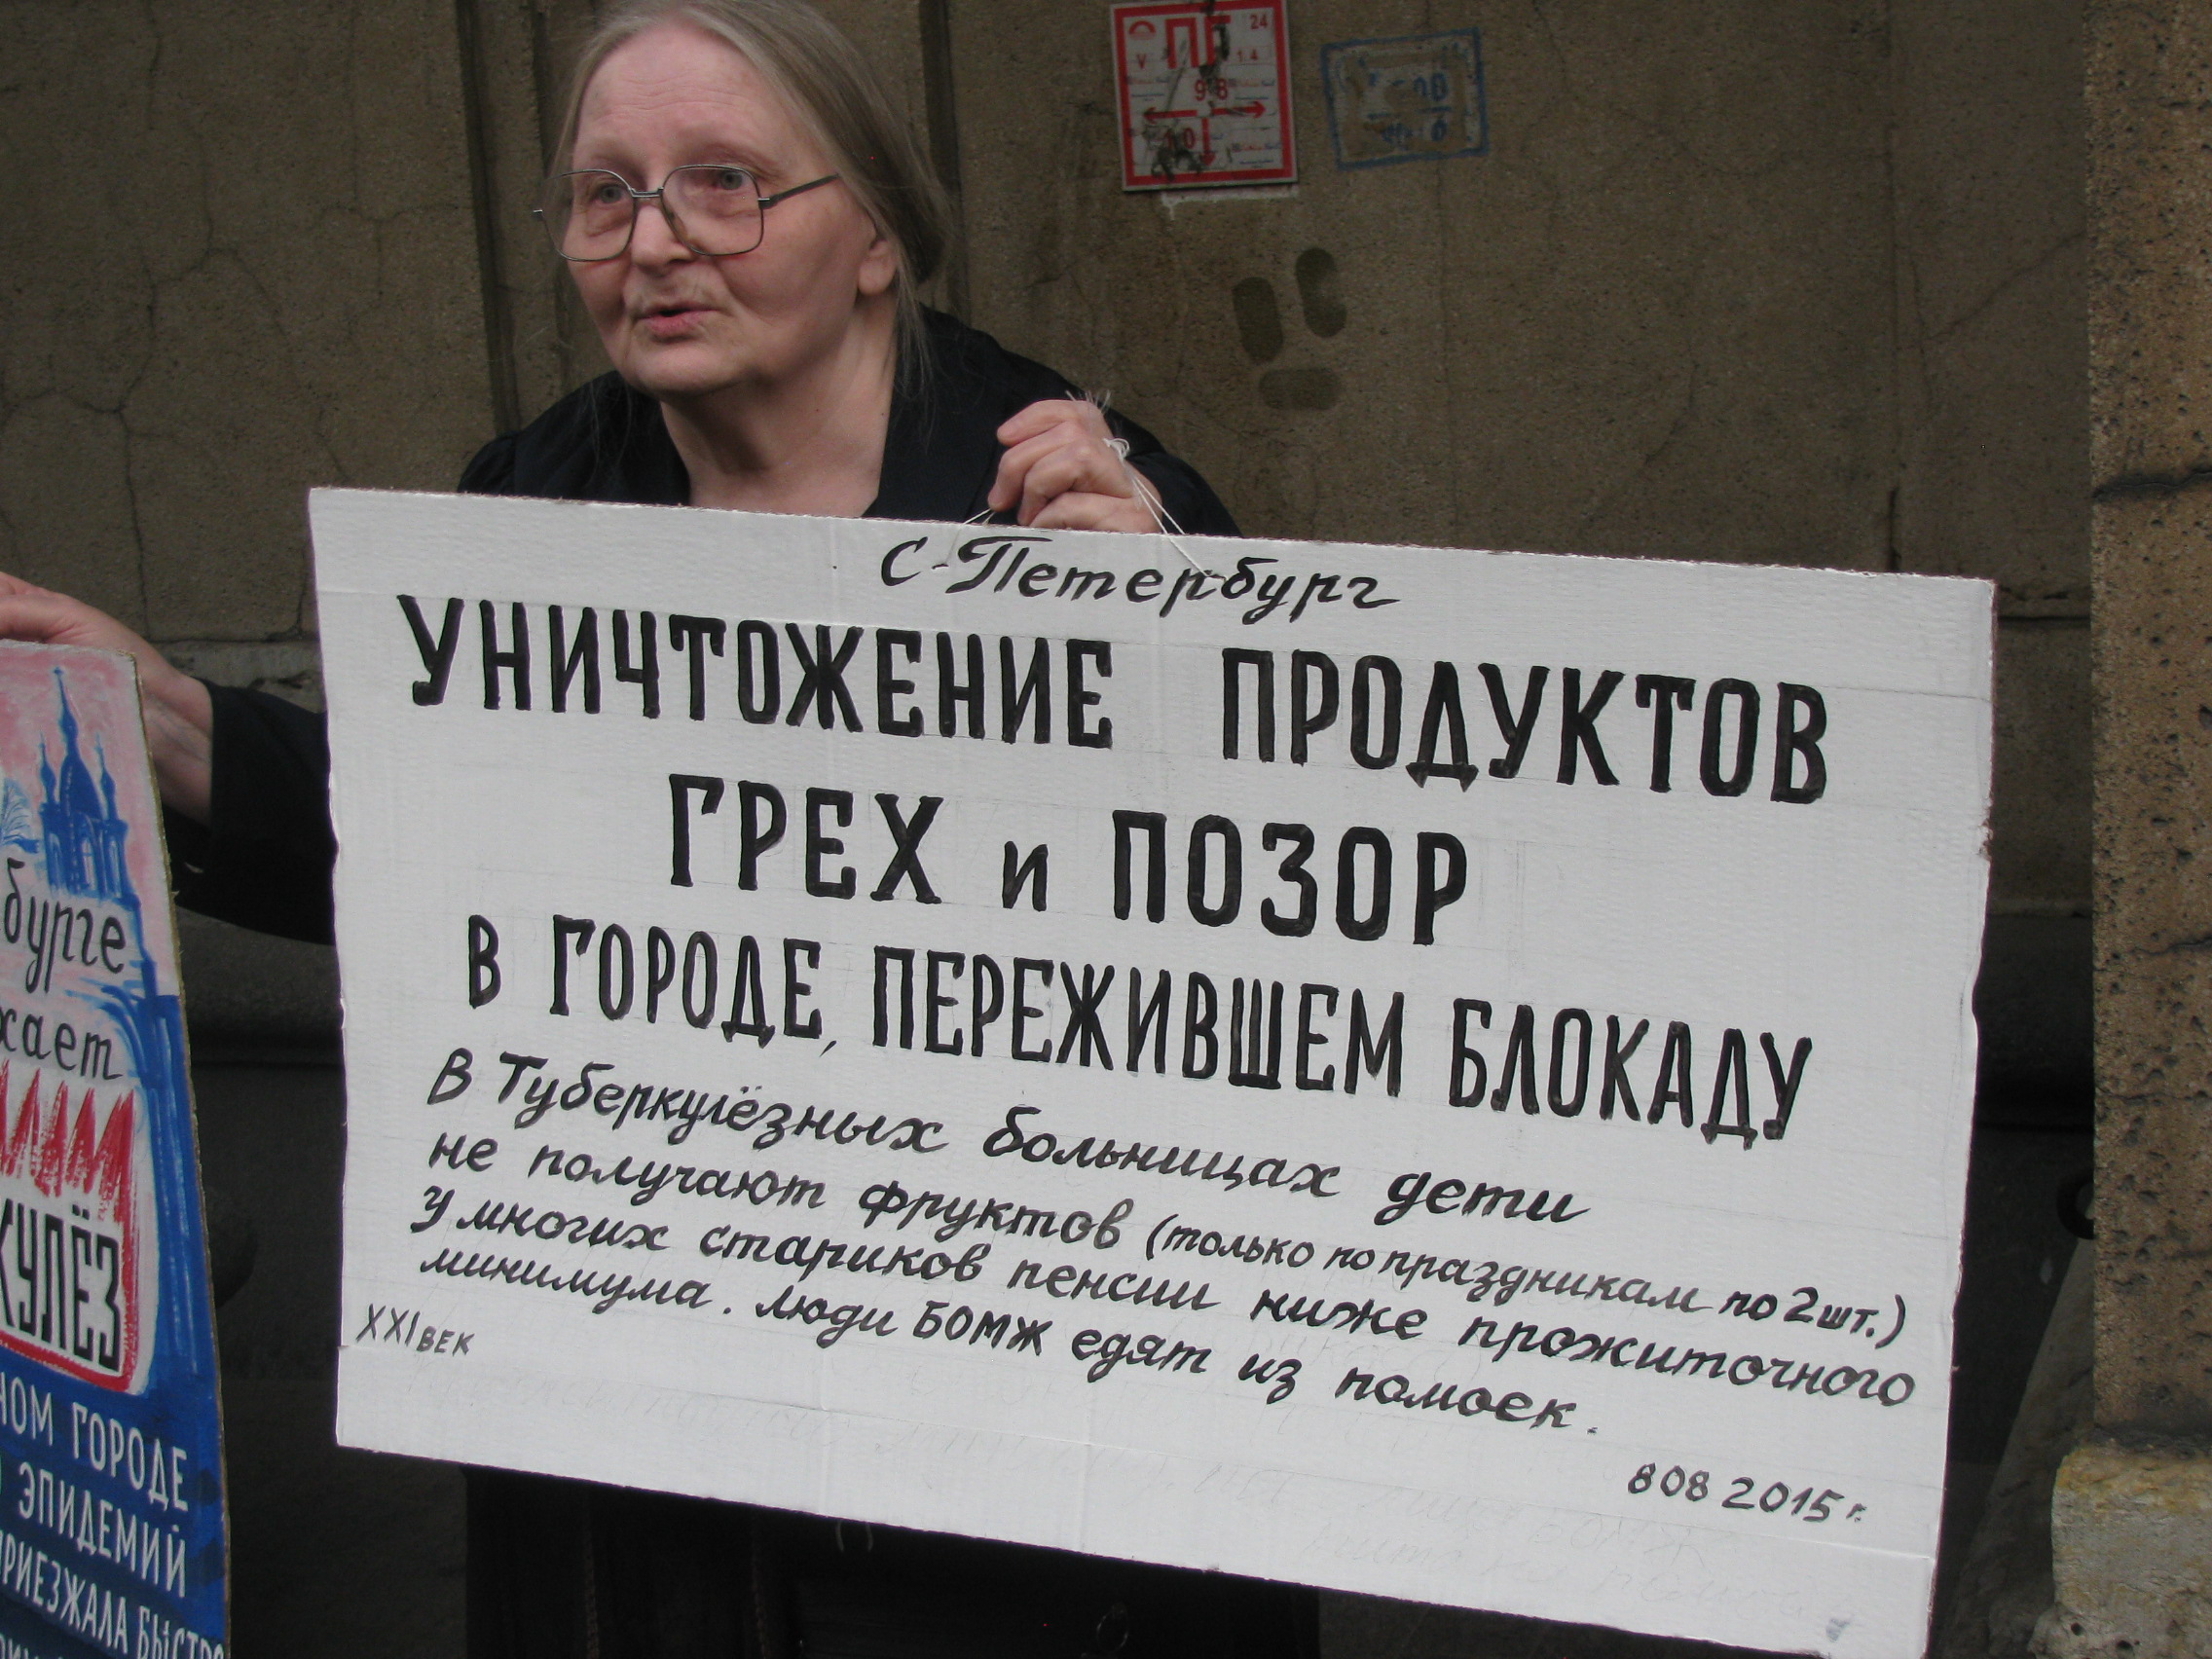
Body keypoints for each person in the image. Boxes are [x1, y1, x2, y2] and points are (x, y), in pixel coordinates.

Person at [0, 4, 1309, 1654]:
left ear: (878, 235)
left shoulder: (1084, 506)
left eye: (725, 183)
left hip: (1002, 1469)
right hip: (653, 1476)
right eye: (605, 193)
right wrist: (173, 730)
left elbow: (1271, 948)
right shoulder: (532, 501)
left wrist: (1174, 651)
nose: (655, 240)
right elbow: (440, 862)